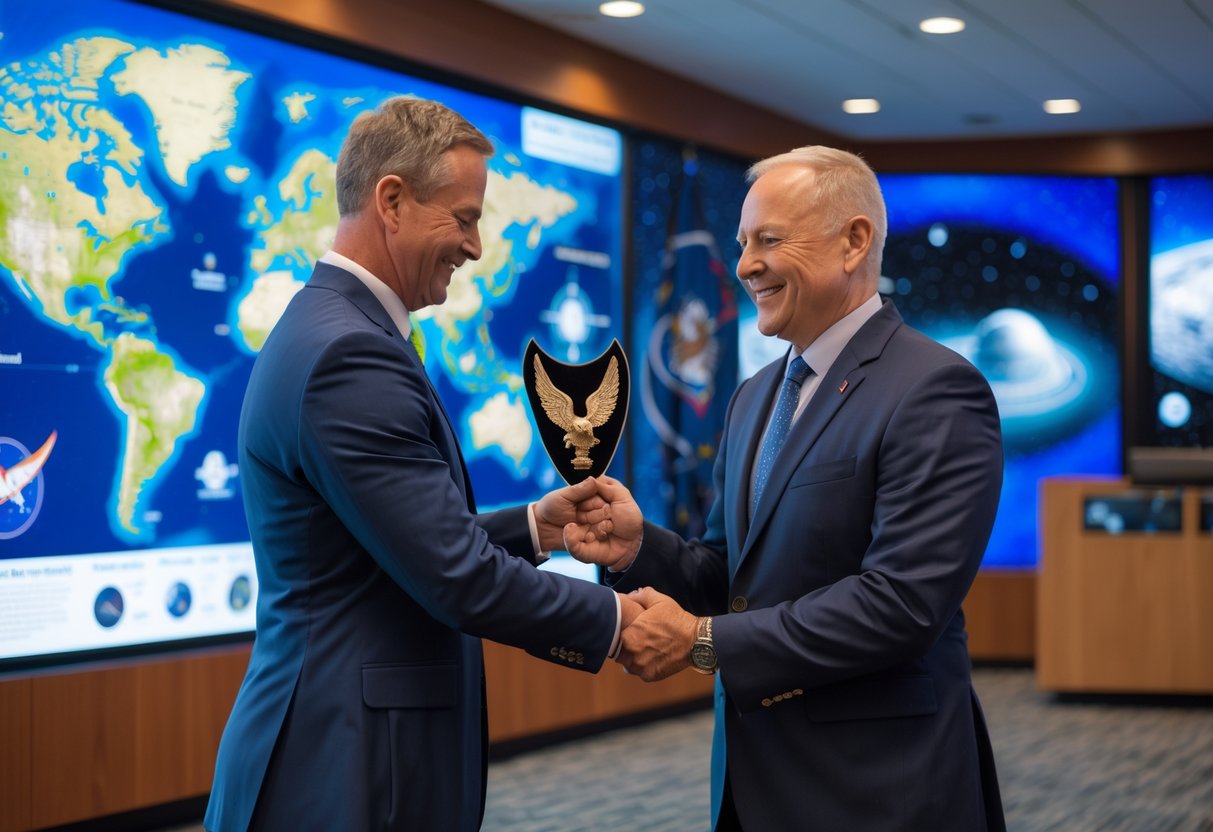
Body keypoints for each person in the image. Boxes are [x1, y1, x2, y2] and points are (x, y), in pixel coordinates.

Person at [204, 97, 639, 832]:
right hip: (345, 766)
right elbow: (455, 576)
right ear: (393, 201)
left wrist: (535, 528)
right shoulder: (351, 353)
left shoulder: (338, 328)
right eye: (463, 218)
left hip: (344, 752)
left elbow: (383, 549)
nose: (475, 246)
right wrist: (618, 622)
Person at [568, 146, 1006, 830]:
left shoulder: (935, 389)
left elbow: (901, 605)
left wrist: (704, 641)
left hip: (876, 792)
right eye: (742, 243)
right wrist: (636, 548)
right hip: (752, 784)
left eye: (769, 241)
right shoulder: (753, 396)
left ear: (853, 241)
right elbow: (731, 574)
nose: (745, 265)